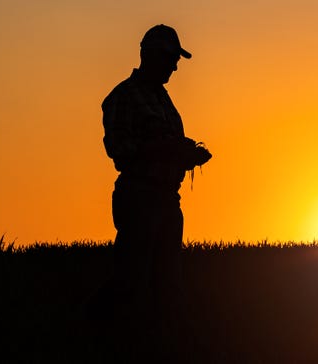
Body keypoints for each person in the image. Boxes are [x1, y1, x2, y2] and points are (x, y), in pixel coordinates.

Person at [101, 24, 211, 362]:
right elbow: (119, 149)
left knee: (167, 282)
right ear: (151, 56)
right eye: (171, 58)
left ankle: (159, 345)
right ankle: (111, 339)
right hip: (139, 197)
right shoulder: (123, 96)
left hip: (167, 200)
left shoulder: (163, 99)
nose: (175, 67)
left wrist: (187, 154)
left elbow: (167, 143)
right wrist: (160, 149)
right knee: (132, 279)